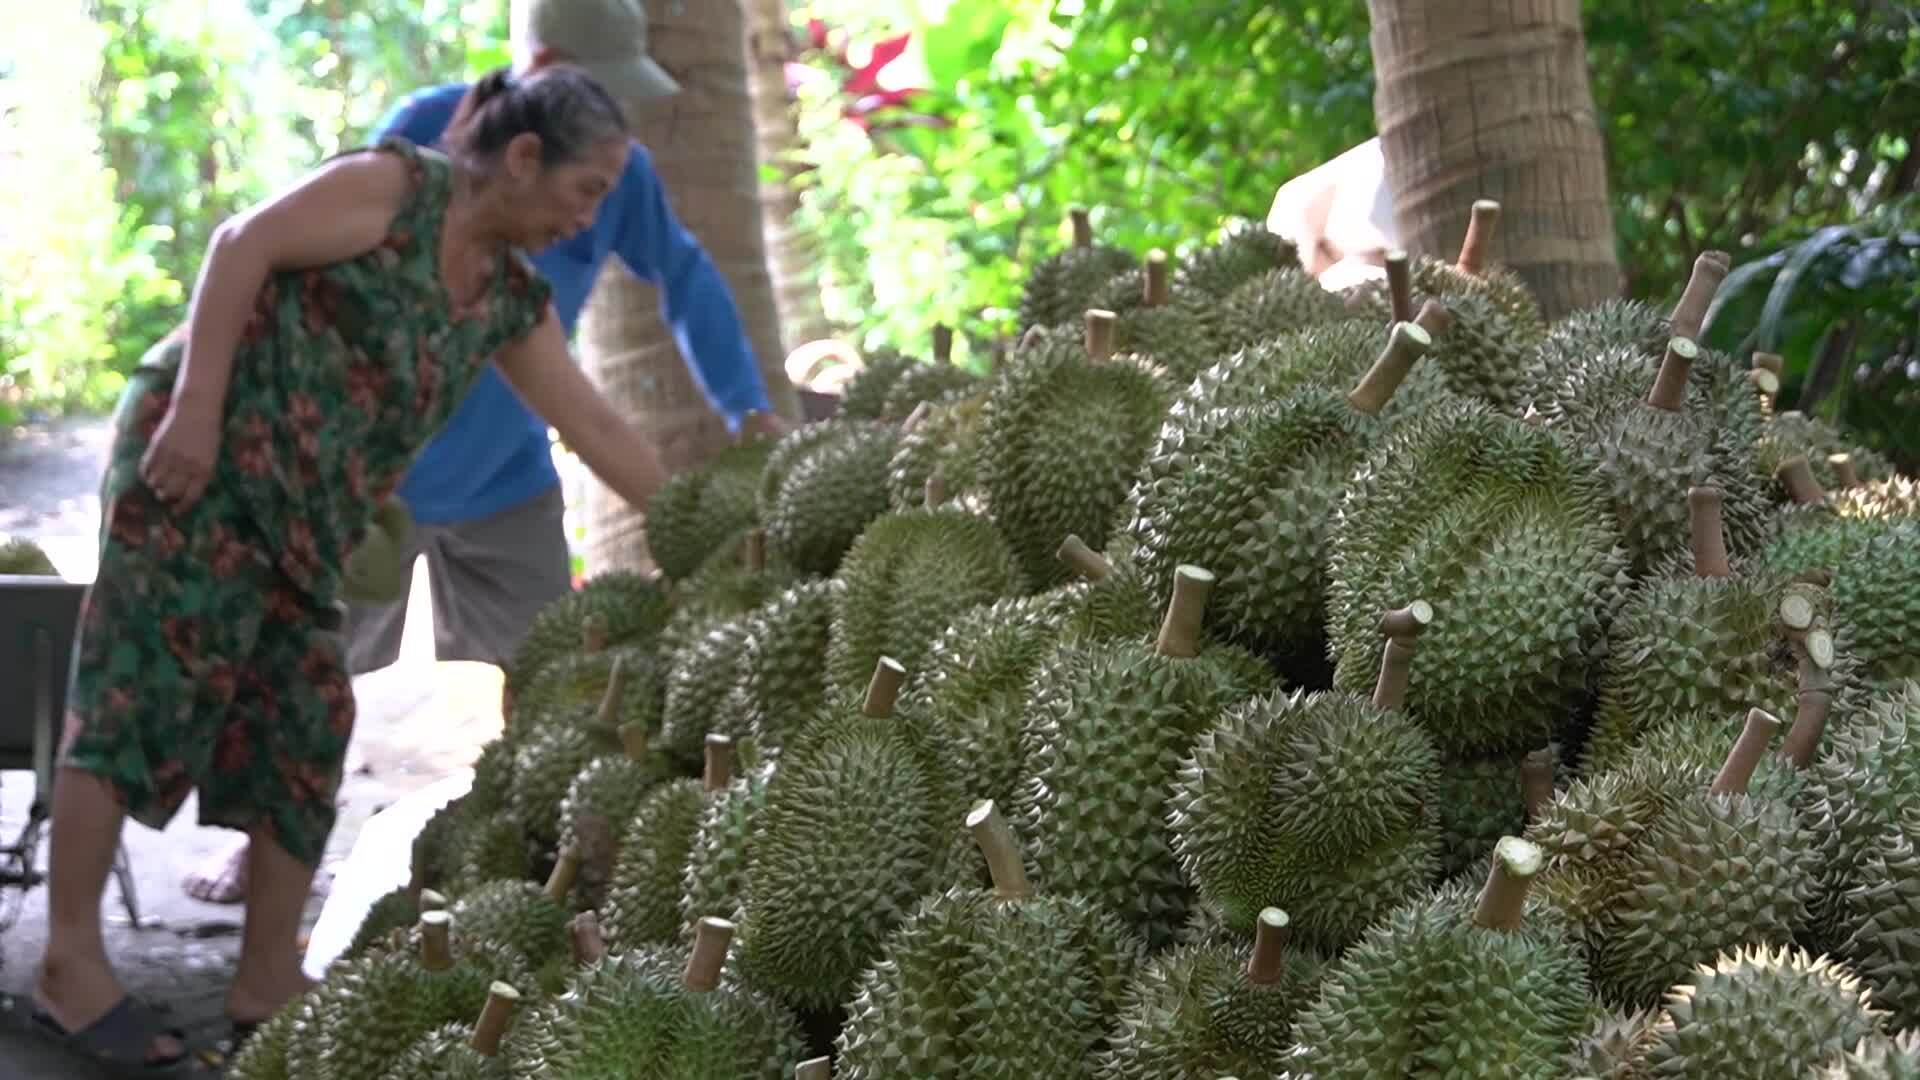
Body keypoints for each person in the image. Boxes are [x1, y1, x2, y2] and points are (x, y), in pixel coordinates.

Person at [29, 63, 669, 1073]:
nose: (587, 222)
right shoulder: (397, 189)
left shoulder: (507, 299)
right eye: (586, 192)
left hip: (299, 510)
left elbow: (588, 422)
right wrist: (196, 409)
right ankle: (69, 964)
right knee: (138, 691)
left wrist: (695, 524)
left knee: (307, 715)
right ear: (523, 156)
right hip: (197, 455)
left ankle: (265, 974)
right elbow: (242, 246)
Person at [180, 0, 791, 906]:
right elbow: (292, 265)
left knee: (553, 672)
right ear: (532, 105)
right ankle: (257, 849)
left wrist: (746, 413)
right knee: (304, 669)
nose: (589, 204)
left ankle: (549, 850)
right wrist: (221, 415)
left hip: (506, 476)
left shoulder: (613, 171)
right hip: (368, 479)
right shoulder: (416, 150)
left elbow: (685, 282)